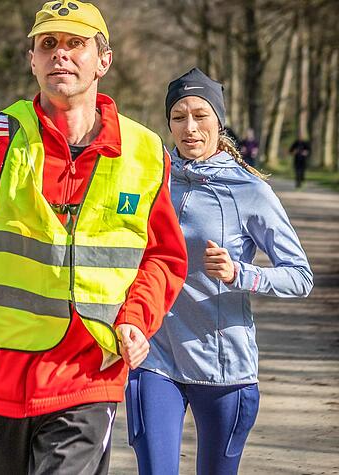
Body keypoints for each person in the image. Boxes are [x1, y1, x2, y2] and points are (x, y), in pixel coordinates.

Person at [0, 2, 188, 473]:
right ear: (32, 60)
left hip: (88, 374)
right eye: (48, 45)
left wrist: (138, 318)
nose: (60, 55)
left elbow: (163, 256)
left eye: (75, 44)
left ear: (104, 60)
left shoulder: (145, 152)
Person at [126, 68, 313, 475]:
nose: (189, 128)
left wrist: (240, 273)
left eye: (200, 115)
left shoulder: (250, 191)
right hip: (155, 358)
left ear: (219, 120)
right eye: (178, 117)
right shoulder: (150, 180)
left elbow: (300, 275)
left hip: (222, 366)